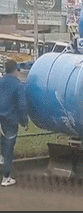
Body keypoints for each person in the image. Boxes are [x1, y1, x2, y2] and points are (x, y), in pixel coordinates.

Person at [0, 59, 28, 187]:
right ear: (15, 70)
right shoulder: (18, 85)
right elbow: (22, 105)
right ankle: (6, 177)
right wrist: (24, 121)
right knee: (8, 149)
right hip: (10, 121)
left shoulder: (1, 81)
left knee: (3, 146)